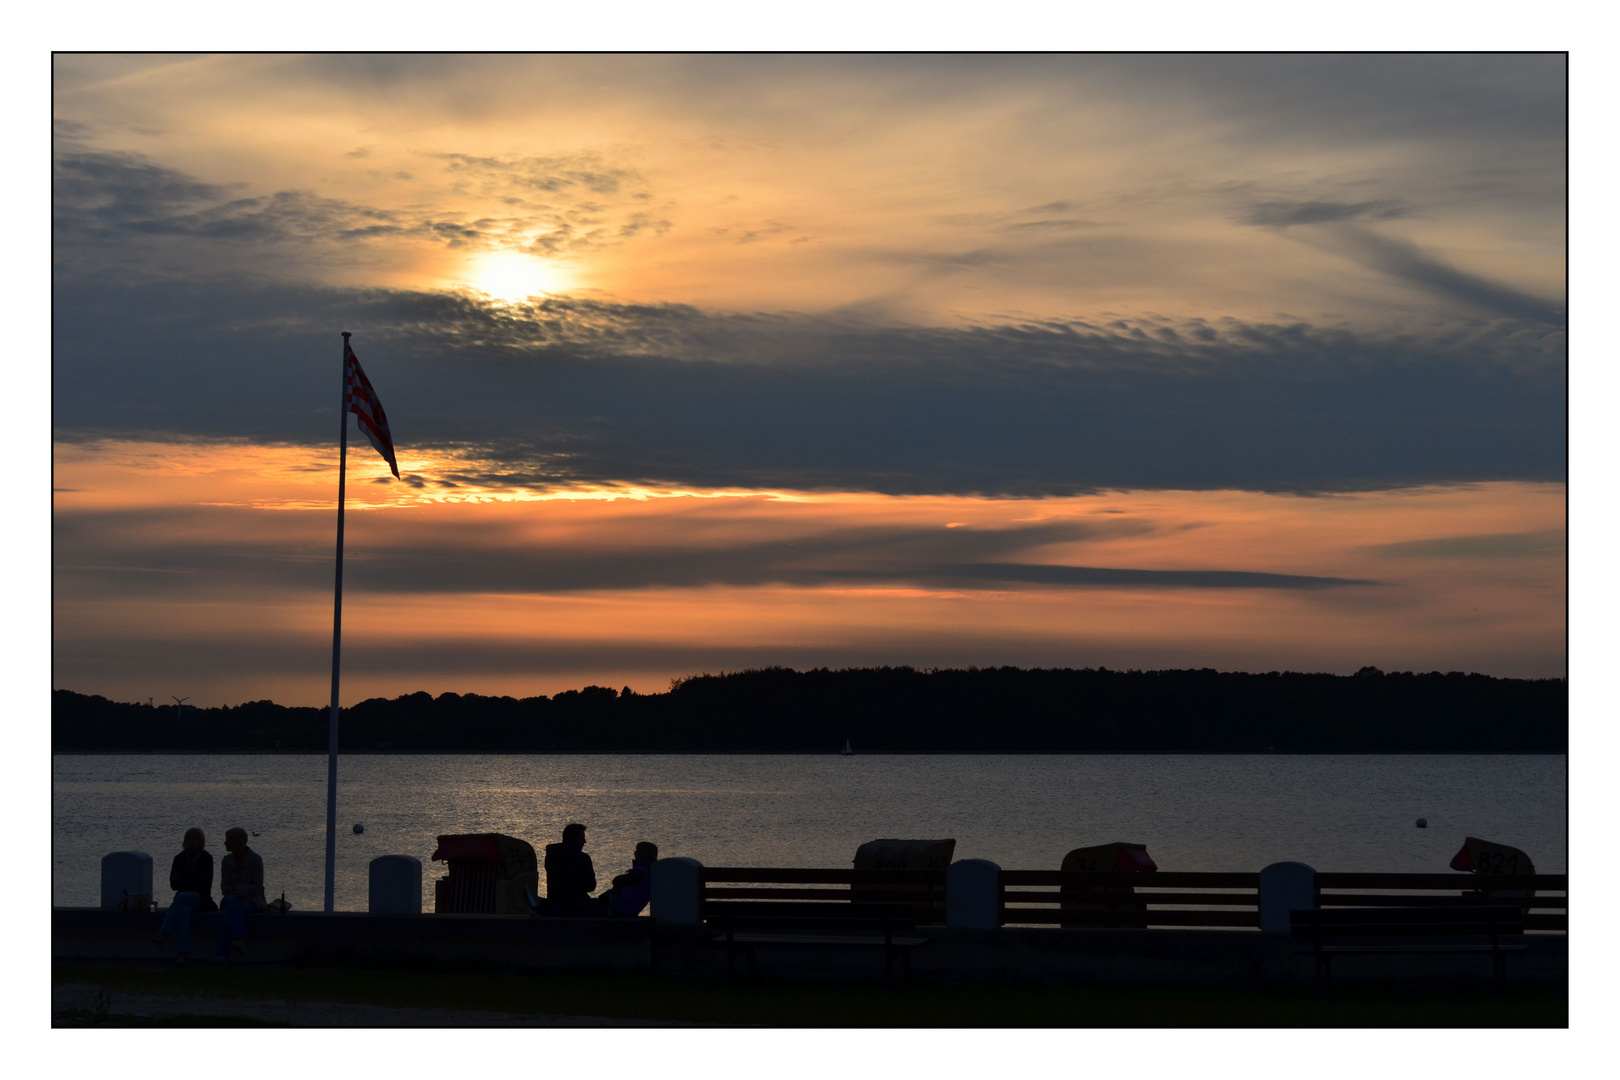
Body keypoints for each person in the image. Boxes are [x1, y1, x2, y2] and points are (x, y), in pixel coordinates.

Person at [149, 827, 216, 963]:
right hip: (184, 900)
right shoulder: (179, 858)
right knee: (185, 912)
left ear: (200, 842)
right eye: (188, 838)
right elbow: (174, 885)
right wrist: (194, 879)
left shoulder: (206, 858)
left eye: (194, 839)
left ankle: (164, 932)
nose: (190, 841)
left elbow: (204, 885)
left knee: (182, 897)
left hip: (201, 899)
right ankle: (181, 954)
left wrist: (184, 880)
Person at [216, 826, 265, 958]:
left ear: (237, 843)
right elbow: (224, 887)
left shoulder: (255, 860)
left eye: (228, 841)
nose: (225, 843)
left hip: (252, 901)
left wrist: (240, 891)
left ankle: (222, 956)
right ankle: (239, 939)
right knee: (232, 902)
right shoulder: (226, 861)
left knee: (228, 913)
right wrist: (237, 893)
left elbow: (258, 886)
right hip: (231, 899)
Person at [542, 823, 596, 915]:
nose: (585, 841)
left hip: (554, 905)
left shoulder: (551, 856)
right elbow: (591, 886)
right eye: (582, 837)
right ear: (572, 839)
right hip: (575, 906)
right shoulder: (583, 858)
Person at [601, 841, 658, 918]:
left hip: (617, 911)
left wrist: (617, 886)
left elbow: (617, 880)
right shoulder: (649, 871)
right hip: (618, 909)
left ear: (643, 853)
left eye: (637, 851)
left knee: (581, 907)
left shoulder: (639, 873)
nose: (634, 853)